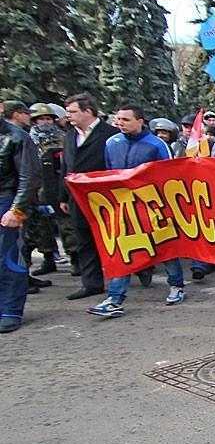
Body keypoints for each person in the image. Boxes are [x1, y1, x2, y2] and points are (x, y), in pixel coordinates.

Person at [87, 103, 186, 318]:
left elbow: (168, 176)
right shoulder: (111, 143)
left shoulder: (157, 145)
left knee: (165, 247)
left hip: (152, 205)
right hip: (123, 206)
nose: (120, 123)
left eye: (126, 119)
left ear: (140, 121)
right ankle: (115, 298)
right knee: (124, 249)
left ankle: (177, 285)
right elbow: (109, 172)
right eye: (119, 119)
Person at [61, 93, 118, 300]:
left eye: (73, 111)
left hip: (104, 196)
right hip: (76, 197)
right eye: (67, 112)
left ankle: (128, 274)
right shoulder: (69, 135)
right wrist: (63, 195)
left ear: (88, 111)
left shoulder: (110, 134)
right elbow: (65, 167)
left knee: (113, 237)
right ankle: (92, 283)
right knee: (84, 239)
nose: (69, 116)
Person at [0, 107, 41, 332]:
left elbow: (30, 176)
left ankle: (10, 310)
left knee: (8, 258)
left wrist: (17, 210)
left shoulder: (17, 137)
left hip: (6, 200)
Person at [23, 103, 73, 278]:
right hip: (37, 188)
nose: (45, 122)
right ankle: (48, 258)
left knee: (67, 225)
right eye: (41, 119)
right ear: (34, 121)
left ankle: (76, 260)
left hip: (59, 185)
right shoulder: (28, 139)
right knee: (40, 226)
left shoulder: (63, 138)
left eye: (48, 118)